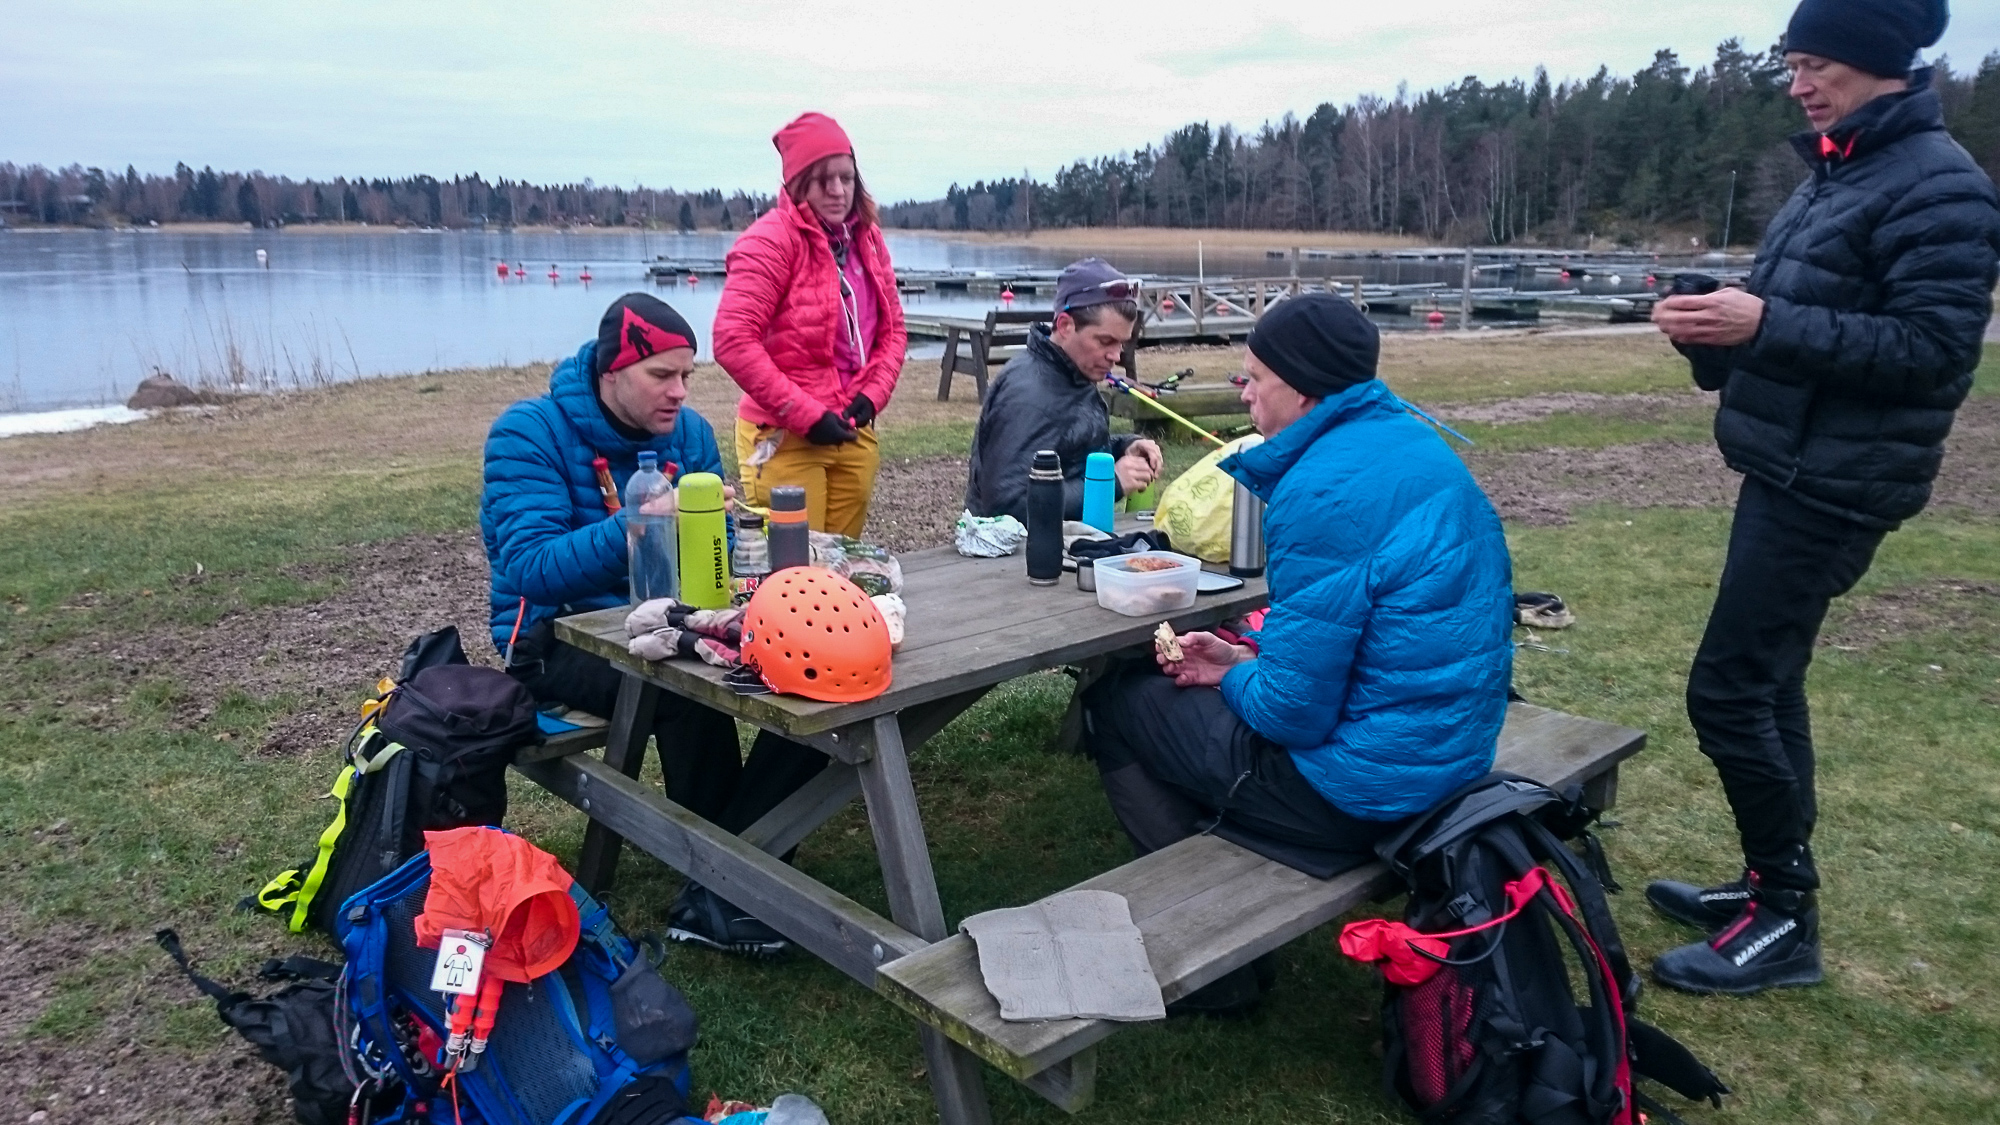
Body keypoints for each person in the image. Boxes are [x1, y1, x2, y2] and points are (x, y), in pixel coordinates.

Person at [1647, 0, 2000, 996]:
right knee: (1768, 682)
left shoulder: (1942, 187)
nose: (1798, 85)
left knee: (1727, 691)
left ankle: (1786, 922)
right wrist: (1713, 336)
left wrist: (1759, 324)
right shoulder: (1838, 172)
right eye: (1791, 64)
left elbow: (1931, 352)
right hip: (1788, 464)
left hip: (1837, 483)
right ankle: (1769, 887)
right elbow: (1801, 320)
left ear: (1877, 61)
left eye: (1816, 65)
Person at [1082, 293, 1514, 1009]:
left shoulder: (1322, 491)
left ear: (1305, 388)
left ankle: (1212, 962)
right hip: (1453, 756)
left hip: (1365, 795)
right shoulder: (1416, 447)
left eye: (1254, 377)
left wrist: (1234, 680)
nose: (1243, 392)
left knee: (1119, 704)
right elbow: (1360, 650)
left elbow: (1291, 714)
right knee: (1188, 703)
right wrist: (1239, 663)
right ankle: (1224, 852)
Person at [481, 292, 828, 957]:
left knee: (813, 665)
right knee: (682, 687)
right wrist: (637, 524)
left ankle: (736, 869)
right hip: (554, 638)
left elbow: (711, 556)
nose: (680, 391)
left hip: (671, 618)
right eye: (661, 374)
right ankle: (734, 886)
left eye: (687, 374)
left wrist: (733, 543)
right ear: (612, 371)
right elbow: (529, 568)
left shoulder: (689, 434)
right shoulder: (529, 432)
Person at [713, 111, 907, 537]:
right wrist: (805, 416)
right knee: (793, 565)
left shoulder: (869, 240)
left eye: (846, 178)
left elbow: (893, 332)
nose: (838, 191)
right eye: (823, 180)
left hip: (851, 430)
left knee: (842, 563)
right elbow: (733, 340)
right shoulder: (769, 241)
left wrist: (874, 395)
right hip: (783, 435)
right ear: (798, 183)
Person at [963, 258, 1164, 522]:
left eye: (1122, 344)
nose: (1116, 356)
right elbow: (1007, 504)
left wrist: (1124, 447)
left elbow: (1069, 450)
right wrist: (1111, 483)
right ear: (1065, 326)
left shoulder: (1072, 372)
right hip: (1020, 547)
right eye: (1105, 341)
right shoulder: (1028, 395)